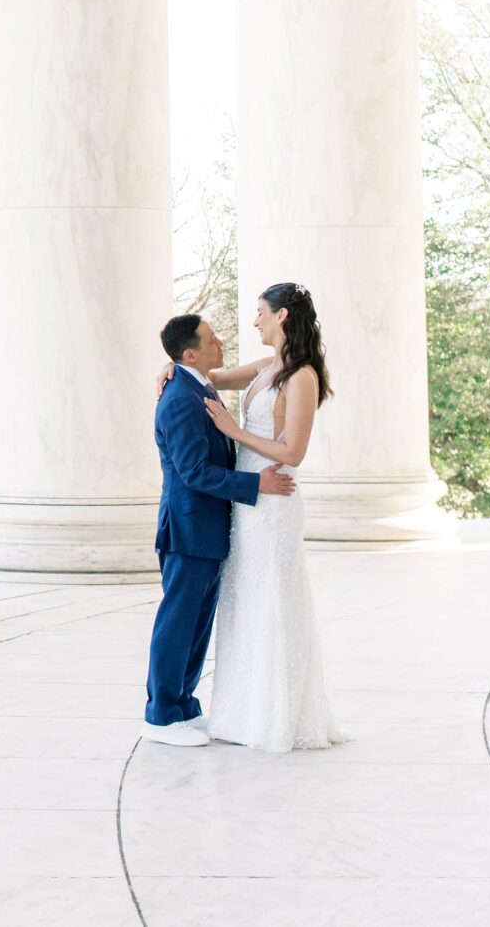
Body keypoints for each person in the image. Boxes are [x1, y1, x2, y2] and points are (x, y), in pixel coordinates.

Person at [183, 282, 347, 752]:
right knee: (245, 599)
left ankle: (274, 718)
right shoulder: (266, 367)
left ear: (282, 316)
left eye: (260, 312)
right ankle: (241, 712)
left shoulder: (302, 376)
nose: (254, 321)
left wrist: (233, 431)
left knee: (271, 599)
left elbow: (292, 450)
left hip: (273, 501)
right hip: (248, 501)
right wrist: (169, 367)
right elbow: (211, 376)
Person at [143, 312, 292, 746]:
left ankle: (184, 706)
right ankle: (160, 716)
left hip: (206, 527)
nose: (220, 342)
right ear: (190, 353)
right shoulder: (179, 398)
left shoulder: (196, 385)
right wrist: (254, 483)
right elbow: (193, 471)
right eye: (211, 339)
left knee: (197, 622)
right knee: (178, 621)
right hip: (188, 527)